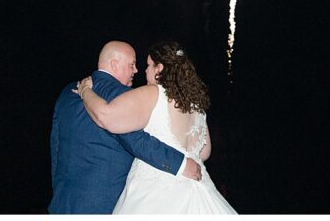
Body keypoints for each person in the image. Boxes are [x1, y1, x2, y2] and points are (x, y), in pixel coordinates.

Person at [76, 41, 236, 214]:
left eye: (148, 65)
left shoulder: (154, 93)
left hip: (156, 192)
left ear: (159, 69)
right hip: (199, 189)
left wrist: (86, 92)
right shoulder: (196, 105)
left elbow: (106, 117)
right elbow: (204, 152)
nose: (143, 71)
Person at [49, 40, 202, 214]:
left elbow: (56, 146)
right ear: (114, 64)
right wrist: (180, 164)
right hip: (105, 204)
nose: (136, 70)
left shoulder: (68, 92)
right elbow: (137, 141)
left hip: (63, 202)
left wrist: (58, 191)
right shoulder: (126, 97)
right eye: (132, 64)